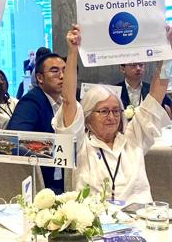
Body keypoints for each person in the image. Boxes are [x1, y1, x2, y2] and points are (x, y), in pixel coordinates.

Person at [53, 24, 171, 204]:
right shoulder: (80, 144)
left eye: (116, 111)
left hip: (137, 220)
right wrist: (72, 52)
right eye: (103, 111)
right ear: (88, 116)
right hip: (95, 223)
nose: (112, 117)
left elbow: (157, 93)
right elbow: (68, 100)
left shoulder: (134, 137)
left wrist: (167, 51)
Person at [7, 50, 66, 194]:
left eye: (64, 70)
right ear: (40, 78)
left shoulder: (67, 101)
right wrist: (60, 150)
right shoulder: (32, 101)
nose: (62, 76)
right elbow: (13, 141)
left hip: (64, 178)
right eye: (54, 71)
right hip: (40, 184)